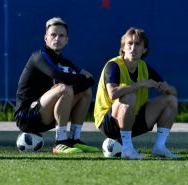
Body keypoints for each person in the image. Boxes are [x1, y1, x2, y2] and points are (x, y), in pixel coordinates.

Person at [14, 17, 99, 154]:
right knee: (64, 88)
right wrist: (71, 85)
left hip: (46, 113)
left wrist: (71, 88)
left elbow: (90, 80)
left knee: (86, 91)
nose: (57, 38)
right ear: (45, 38)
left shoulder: (65, 62)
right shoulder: (39, 57)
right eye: (53, 34)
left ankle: (73, 139)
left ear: (66, 40)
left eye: (61, 35)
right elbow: (61, 77)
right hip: (27, 117)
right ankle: (60, 142)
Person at [94, 27, 179, 159]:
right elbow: (113, 93)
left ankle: (159, 147)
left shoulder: (144, 66)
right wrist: (141, 84)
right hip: (108, 123)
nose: (133, 47)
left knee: (171, 100)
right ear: (123, 47)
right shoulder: (113, 65)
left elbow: (174, 92)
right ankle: (127, 148)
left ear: (144, 50)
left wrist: (165, 87)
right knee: (129, 96)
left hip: (133, 120)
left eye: (138, 44)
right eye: (130, 43)